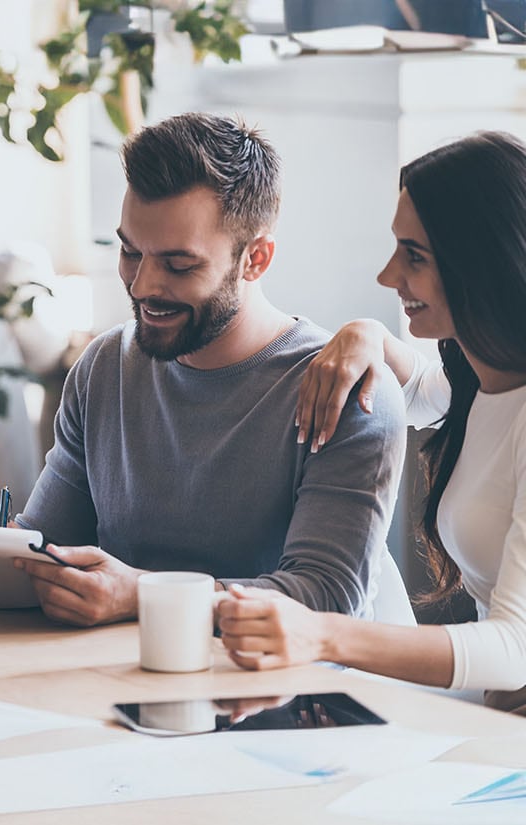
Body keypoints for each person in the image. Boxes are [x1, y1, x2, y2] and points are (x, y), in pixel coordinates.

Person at [0, 113, 411, 626]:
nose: (142, 286)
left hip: (283, 697)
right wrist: (0, 553)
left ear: (256, 259)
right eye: (131, 252)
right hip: (113, 683)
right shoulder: (104, 368)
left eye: (179, 265)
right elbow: (55, 552)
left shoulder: (346, 392)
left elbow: (328, 597)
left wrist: (146, 595)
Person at [220, 131, 526, 707]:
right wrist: (363, 332)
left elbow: (515, 649)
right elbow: (412, 395)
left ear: (482, 263)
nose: (388, 276)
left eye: (414, 255)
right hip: (494, 704)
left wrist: (319, 633)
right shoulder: (479, 367)